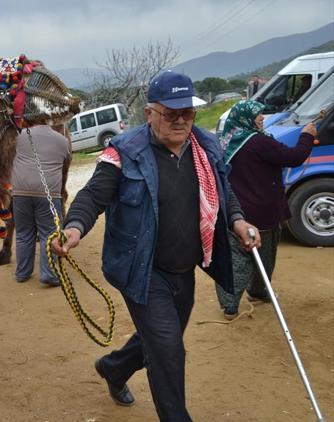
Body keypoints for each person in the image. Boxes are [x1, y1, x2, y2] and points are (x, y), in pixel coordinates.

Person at [51, 71, 260, 421]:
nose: (181, 120)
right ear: (149, 114)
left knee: (161, 340)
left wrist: (238, 221)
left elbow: (227, 194)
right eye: (171, 112)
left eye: (187, 113)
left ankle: (114, 368)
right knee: (168, 350)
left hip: (185, 269)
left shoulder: (206, 148)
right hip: (141, 270)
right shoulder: (124, 152)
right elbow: (92, 196)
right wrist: (73, 228)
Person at [216, 100, 316, 318]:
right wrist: (307, 136)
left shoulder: (227, 139)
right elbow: (294, 157)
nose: (262, 118)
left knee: (235, 260)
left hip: (235, 212)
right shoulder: (258, 142)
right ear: (246, 118)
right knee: (265, 255)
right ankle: (259, 292)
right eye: (257, 115)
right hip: (262, 210)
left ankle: (229, 305)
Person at [11, 124, 71, 286]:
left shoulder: (19, 136)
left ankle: (22, 273)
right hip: (49, 194)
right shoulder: (62, 141)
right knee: (49, 234)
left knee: (23, 234)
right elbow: (65, 165)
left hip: (20, 192)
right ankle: (49, 274)